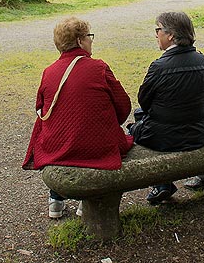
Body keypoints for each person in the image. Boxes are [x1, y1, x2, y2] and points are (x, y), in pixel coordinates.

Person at [23, 17, 134, 219]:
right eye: (88, 36)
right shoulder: (99, 67)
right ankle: (87, 200)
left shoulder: (48, 72)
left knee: (59, 137)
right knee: (93, 139)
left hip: (58, 146)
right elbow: (123, 105)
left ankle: (55, 199)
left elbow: (40, 108)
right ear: (80, 41)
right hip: (97, 146)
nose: (91, 40)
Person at [128, 11, 204, 204]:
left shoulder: (159, 66)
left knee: (134, 127)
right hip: (196, 133)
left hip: (162, 137)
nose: (156, 34)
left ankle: (162, 184)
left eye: (158, 30)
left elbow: (144, 101)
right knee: (141, 117)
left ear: (171, 35)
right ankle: (163, 184)